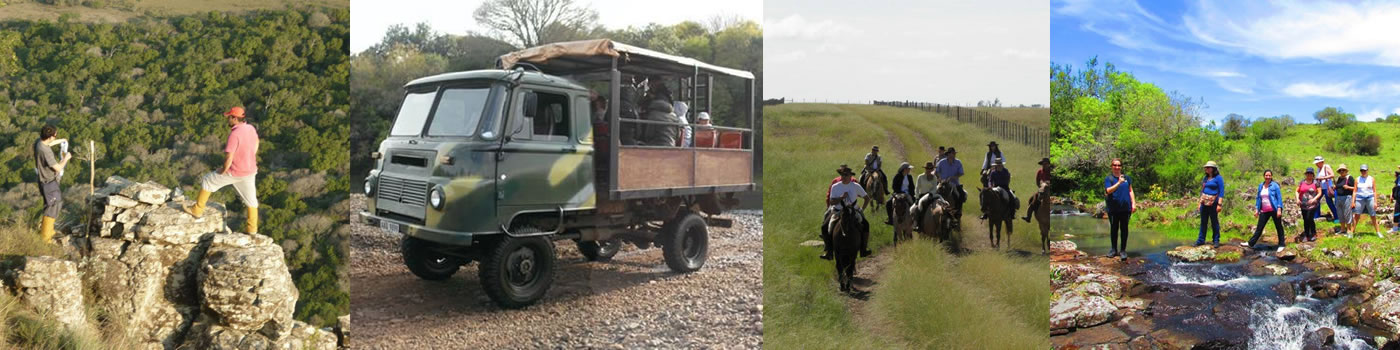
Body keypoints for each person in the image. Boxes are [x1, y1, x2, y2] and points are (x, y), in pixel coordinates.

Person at [184, 106, 261, 235]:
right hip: (250, 171)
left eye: (230, 117)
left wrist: (223, 170)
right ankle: (252, 229)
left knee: (207, 180)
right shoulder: (250, 128)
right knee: (252, 201)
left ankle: (197, 210)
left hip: (234, 171)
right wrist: (251, 155)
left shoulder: (234, 134)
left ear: (235, 118)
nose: (228, 120)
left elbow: (229, 156)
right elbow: (257, 142)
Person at [820, 165, 871, 260]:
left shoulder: (855, 186)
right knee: (824, 226)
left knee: (866, 224)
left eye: (846, 175)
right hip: (838, 211)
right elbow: (832, 202)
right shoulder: (835, 186)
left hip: (853, 211)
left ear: (850, 176)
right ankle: (829, 251)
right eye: (842, 175)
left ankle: (864, 249)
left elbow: (867, 198)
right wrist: (841, 198)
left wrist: (861, 209)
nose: (844, 177)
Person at [33, 125, 71, 243]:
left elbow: (49, 143)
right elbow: (58, 168)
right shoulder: (46, 152)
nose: (56, 137)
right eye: (55, 135)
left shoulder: (39, 143)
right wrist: (66, 158)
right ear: (50, 136)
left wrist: (62, 140)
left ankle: (49, 230)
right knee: (52, 207)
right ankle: (45, 237)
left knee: (56, 204)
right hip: (48, 182)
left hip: (44, 180)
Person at [1245, 170, 1286, 251]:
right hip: (1264, 210)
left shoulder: (1275, 186)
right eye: (1266, 175)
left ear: (1271, 176)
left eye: (1269, 175)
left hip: (1274, 209)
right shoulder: (1261, 185)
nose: (1268, 177)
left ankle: (1281, 244)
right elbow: (1258, 198)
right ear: (1264, 176)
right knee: (1259, 228)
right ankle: (1251, 243)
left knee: (1279, 227)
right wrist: (1257, 209)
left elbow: (1279, 198)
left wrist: (1279, 209)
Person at [1104, 158, 1135, 261]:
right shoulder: (1109, 179)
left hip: (1125, 208)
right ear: (1111, 166)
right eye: (1115, 165)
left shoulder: (1127, 178)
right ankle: (1113, 250)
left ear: (1121, 167)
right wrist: (1119, 182)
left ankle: (1123, 250)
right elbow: (1108, 190)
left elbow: (1130, 190)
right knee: (1114, 228)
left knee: (1124, 229)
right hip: (1113, 209)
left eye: (1119, 165)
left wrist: (1133, 203)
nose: (1117, 167)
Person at [1196, 161, 1225, 247]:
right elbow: (1202, 190)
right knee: (1203, 222)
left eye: (1208, 167)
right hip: (1204, 203)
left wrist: (1219, 204)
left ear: (1213, 169)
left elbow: (1221, 191)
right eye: (1206, 167)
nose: (1206, 169)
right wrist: (1199, 203)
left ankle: (1216, 240)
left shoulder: (1218, 178)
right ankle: (1201, 240)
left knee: (1214, 222)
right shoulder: (1205, 178)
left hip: (1214, 203)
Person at [1354, 164, 1383, 237]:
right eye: (1362, 170)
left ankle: (1378, 232)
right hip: (1360, 198)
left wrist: (1375, 202)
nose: (1363, 172)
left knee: (1373, 215)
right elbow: (1354, 191)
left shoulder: (1371, 179)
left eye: (1364, 170)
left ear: (1367, 170)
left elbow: (1374, 191)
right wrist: (1353, 201)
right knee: (1357, 215)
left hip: (1370, 197)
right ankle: (1352, 231)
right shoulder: (1357, 179)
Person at [1297, 167, 1323, 242]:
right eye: (1308, 173)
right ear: (1306, 174)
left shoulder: (1315, 183)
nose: (1309, 175)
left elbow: (1320, 192)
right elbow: (1297, 191)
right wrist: (1297, 199)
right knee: (1305, 219)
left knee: (1309, 218)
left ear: (1313, 175)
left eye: (1310, 173)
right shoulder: (1302, 182)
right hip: (1303, 204)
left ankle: (1313, 233)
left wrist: (1314, 199)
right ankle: (1307, 234)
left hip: (1312, 205)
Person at [1023, 158, 1052, 222]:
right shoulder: (1039, 171)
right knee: (1032, 199)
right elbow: (1037, 181)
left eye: (1046, 164)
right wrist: (1041, 187)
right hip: (1042, 189)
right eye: (1043, 164)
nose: (1044, 165)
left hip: (1050, 189)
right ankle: (1028, 217)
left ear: (1048, 164)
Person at [914, 161, 942, 229]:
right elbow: (917, 188)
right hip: (922, 195)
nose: (929, 170)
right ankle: (917, 224)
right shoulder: (920, 177)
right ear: (925, 169)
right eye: (927, 168)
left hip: (931, 195)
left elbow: (935, 188)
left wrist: (931, 194)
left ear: (932, 169)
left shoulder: (934, 177)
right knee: (915, 209)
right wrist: (917, 197)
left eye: (930, 168)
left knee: (943, 202)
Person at [1334, 164, 1356, 237]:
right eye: (1340, 170)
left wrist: (1348, 187)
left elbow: (1355, 188)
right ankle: (1342, 229)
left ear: (1346, 171)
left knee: (1347, 213)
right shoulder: (1339, 179)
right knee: (1340, 213)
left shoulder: (1349, 178)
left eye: (1343, 170)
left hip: (1347, 197)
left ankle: (1349, 229)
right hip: (1338, 197)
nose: (1342, 171)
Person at [1315, 156, 1338, 222]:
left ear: (1321, 162)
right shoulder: (1318, 169)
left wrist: (1323, 178)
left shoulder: (1326, 166)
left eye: (1318, 163)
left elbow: (1332, 175)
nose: (1316, 164)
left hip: (1327, 187)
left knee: (1329, 202)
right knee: (1317, 200)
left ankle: (1336, 217)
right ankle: (1316, 215)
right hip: (1321, 188)